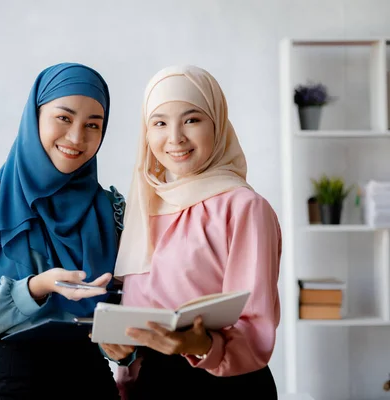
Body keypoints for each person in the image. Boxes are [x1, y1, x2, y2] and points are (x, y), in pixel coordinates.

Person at [0, 62, 125, 400]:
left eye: (92, 125)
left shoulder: (111, 212)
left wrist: (123, 345)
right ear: (35, 116)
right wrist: (36, 287)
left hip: (89, 384)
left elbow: (121, 333)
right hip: (5, 384)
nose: (76, 137)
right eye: (64, 118)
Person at [99, 65, 281, 399]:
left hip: (224, 386)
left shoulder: (244, 207)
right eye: (159, 123)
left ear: (217, 122)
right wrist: (121, 351)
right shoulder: (145, 206)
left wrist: (203, 344)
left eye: (192, 119)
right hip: (152, 385)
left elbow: (257, 326)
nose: (175, 138)